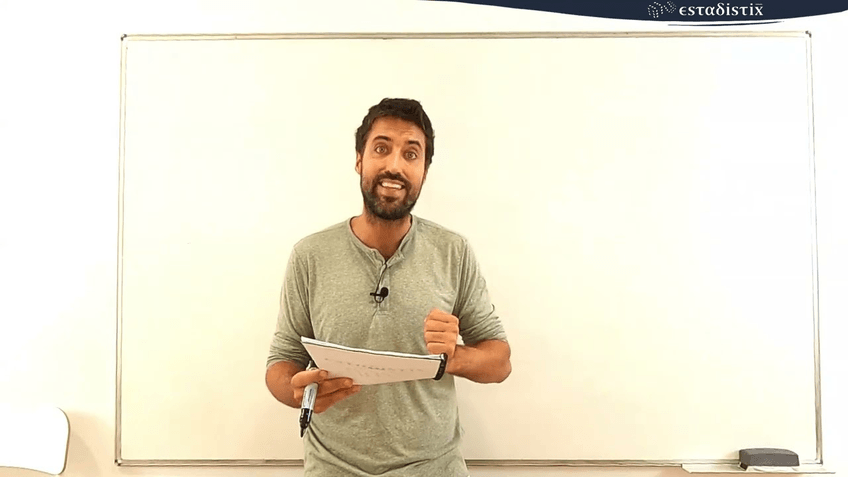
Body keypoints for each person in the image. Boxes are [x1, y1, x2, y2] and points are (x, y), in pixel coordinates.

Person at [265, 98, 511, 476]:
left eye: (411, 154)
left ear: (424, 171)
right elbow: (281, 361)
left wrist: (454, 357)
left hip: (434, 468)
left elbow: (500, 362)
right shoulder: (310, 255)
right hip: (333, 468)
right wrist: (296, 390)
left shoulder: (453, 251)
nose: (395, 165)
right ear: (359, 160)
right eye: (381, 149)